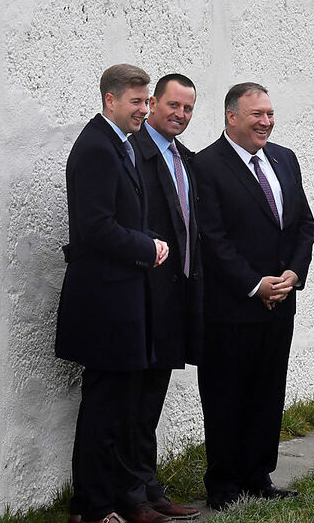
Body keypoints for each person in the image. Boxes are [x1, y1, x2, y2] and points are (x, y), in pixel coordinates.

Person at [54, 64, 171, 523]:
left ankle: (109, 501)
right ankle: (92, 508)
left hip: (123, 300)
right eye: (137, 102)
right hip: (104, 304)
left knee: (119, 408)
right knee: (103, 412)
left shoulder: (119, 144)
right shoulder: (98, 148)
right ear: (110, 100)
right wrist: (149, 246)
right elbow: (96, 227)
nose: (145, 109)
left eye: (146, 101)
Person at [194, 82, 314, 510]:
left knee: (268, 388)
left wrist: (291, 275)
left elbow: (303, 225)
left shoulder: (284, 158)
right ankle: (224, 482)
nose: (266, 122)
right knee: (226, 394)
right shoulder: (205, 166)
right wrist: (254, 284)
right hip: (231, 307)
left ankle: (258, 474)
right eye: (256, 115)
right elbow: (213, 238)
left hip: (281, 300)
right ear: (232, 117)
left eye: (269, 113)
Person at [127, 73, 206, 521]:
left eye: (188, 108)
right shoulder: (134, 152)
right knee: (133, 398)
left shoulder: (184, 159)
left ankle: (148, 486)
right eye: (173, 105)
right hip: (142, 298)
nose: (180, 114)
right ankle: (133, 493)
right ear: (153, 103)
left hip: (175, 296)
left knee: (152, 395)